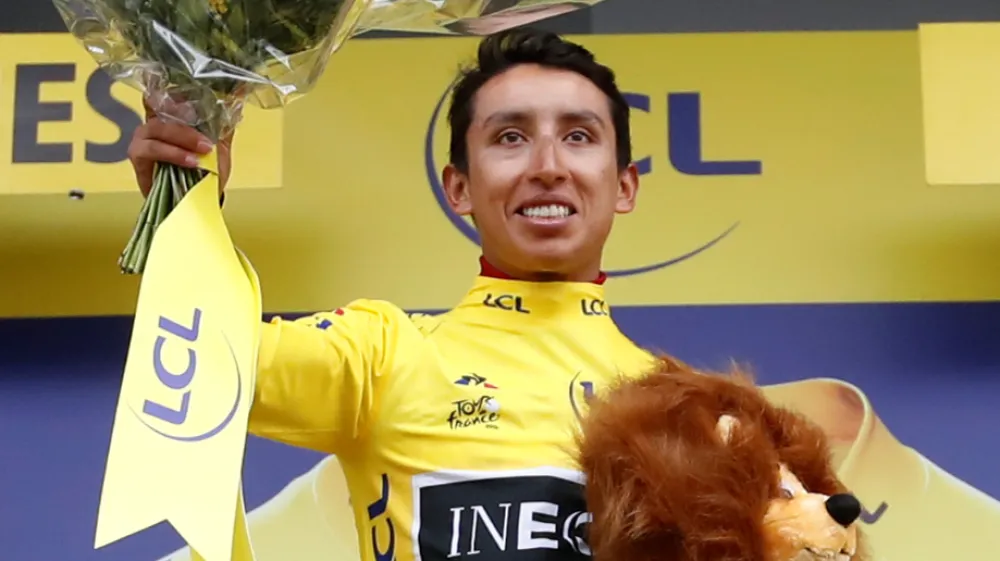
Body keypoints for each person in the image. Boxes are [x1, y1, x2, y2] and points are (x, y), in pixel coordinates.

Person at [133, 27, 1000, 561]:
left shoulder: (689, 408)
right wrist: (186, 193)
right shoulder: (384, 352)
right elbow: (204, 362)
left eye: (578, 137)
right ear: (460, 186)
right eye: (510, 137)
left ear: (623, 185)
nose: (547, 163)